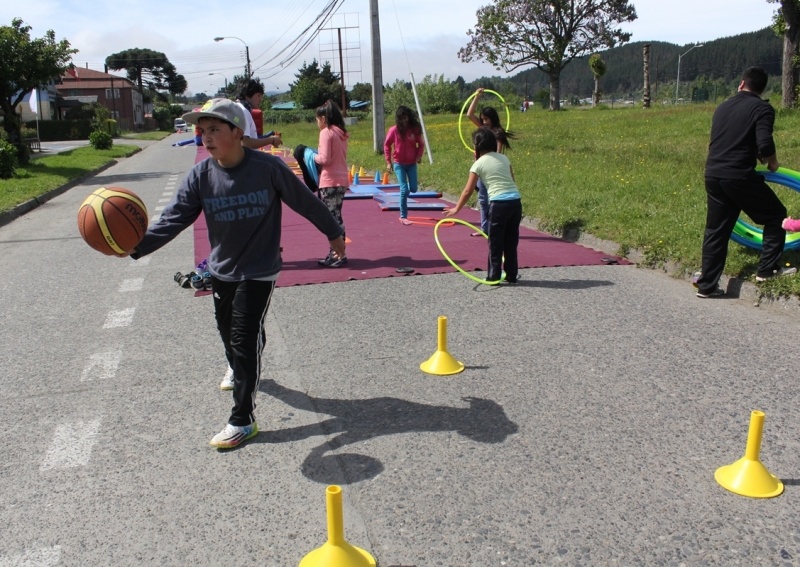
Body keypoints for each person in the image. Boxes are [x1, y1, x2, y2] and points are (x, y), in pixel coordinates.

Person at [125, 98, 346, 449]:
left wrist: (334, 234)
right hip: (222, 270)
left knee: (242, 339)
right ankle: (242, 357)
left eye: (214, 129)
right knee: (228, 333)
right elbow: (173, 219)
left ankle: (242, 419)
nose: (206, 137)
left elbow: (305, 201)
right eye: (202, 131)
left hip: (260, 268)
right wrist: (136, 246)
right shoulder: (201, 176)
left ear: (237, 133)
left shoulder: (267, 169)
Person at [696, 66, 796, 298]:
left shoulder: (722, 107)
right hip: (738, 175)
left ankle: (707, 286)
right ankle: (767, 269)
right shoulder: (763, 108)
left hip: (713, 173)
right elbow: (765, 143)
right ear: (762, 89)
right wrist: (772, 163)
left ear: (741, 84)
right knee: (776, 215)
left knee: (716, 230)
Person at [444, 127, 522, 284]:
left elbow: (468, 190)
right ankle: (511, 275)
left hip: (499, 204)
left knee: (495, 242)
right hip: (515, 202)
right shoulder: (503, 158)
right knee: (510, 241)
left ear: (477, 146)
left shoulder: (478, 164)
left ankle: (493, 276)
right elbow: (512, 180)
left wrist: (456, 208)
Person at [466, 88, 513, 237]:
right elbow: (469, 114)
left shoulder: (497, 133)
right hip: (481, 170)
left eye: (486, 119)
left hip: (491, 171)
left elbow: (497, 154)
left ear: (493, 119)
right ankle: (485, 228)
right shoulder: (483, 130)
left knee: (492, 200)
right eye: (482, 119)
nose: (484, 122)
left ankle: (493, 228)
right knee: (483, 200)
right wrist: (477, 96)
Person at [314, 100, 350, 267]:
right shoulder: (341, 132)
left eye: (317, 119)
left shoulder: (326, 133)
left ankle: (338, 254)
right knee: (336, 216)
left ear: (323, 118)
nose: (317, 123)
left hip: (329, 180)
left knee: (332, 219)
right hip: (341, 178)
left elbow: (325, 159)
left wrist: (310, 156)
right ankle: (336, 252)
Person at [384, 105, 425, 224]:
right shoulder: (394, 130)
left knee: (414, 189)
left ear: (409, 117)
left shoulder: (414, 129)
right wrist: (388, 162)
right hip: (399, 164)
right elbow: (387, 145)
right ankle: (403, 216)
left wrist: (418, 156)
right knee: (404, 190)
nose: (404, 121)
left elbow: (420, 144)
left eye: (406, 118)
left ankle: (407, 186)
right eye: (401, 118)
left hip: (412, 163)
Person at [236, 78, 282, 150]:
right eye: (258, 95)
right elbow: (246, 143)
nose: (260, 99)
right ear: (247, 94)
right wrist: (271, 140)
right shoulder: (244, 111)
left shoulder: (237, 108)